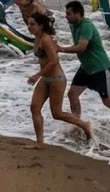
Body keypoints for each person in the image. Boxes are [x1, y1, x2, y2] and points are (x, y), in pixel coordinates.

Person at [57, 1, 110, 138]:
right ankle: (77, 123)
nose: (66, 16)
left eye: (69, 14)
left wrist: (61, 49)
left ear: (78, 14)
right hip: (86, 68)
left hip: (100, 68)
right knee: (72, 94)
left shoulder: (86, 26)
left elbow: (81, 47)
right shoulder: (73, 24)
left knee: (107, 100)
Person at [25, 12, 92, 149]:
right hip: (45, 79)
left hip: (56, 79)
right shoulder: (37, 39)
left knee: (57, 113)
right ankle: (40, 143)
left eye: (32, 24)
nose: (29, 27)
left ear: (41, 25)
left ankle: (85, 125)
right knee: (34, 108)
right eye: (28, 24)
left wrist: (37, 75)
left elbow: (54, 61)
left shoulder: (46, 39)